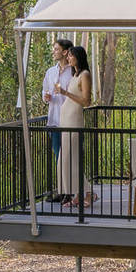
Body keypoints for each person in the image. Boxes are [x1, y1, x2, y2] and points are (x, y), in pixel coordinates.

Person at [56, 45, 95, 209]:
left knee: (71, 159)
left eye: (71, 56)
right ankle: (80, 194)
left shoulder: (84, 75)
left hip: (74, 122)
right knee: (65, 160)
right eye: (68, 56)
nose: (69, 58)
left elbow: (86, 102)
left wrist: (65, 93)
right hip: (65, 121)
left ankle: (87, 193)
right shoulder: (74, 75)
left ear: (78, 57)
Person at [42, 38, 73, 202]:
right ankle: (61, 191)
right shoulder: (50, 72)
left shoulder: (74, 72)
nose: (53, 52)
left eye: (56, 49)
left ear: (65, 52)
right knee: (57, 156)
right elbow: (45, 91)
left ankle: (70, 192)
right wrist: (46, 96)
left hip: (69, 121)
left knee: (68, 157)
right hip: (54, 120)